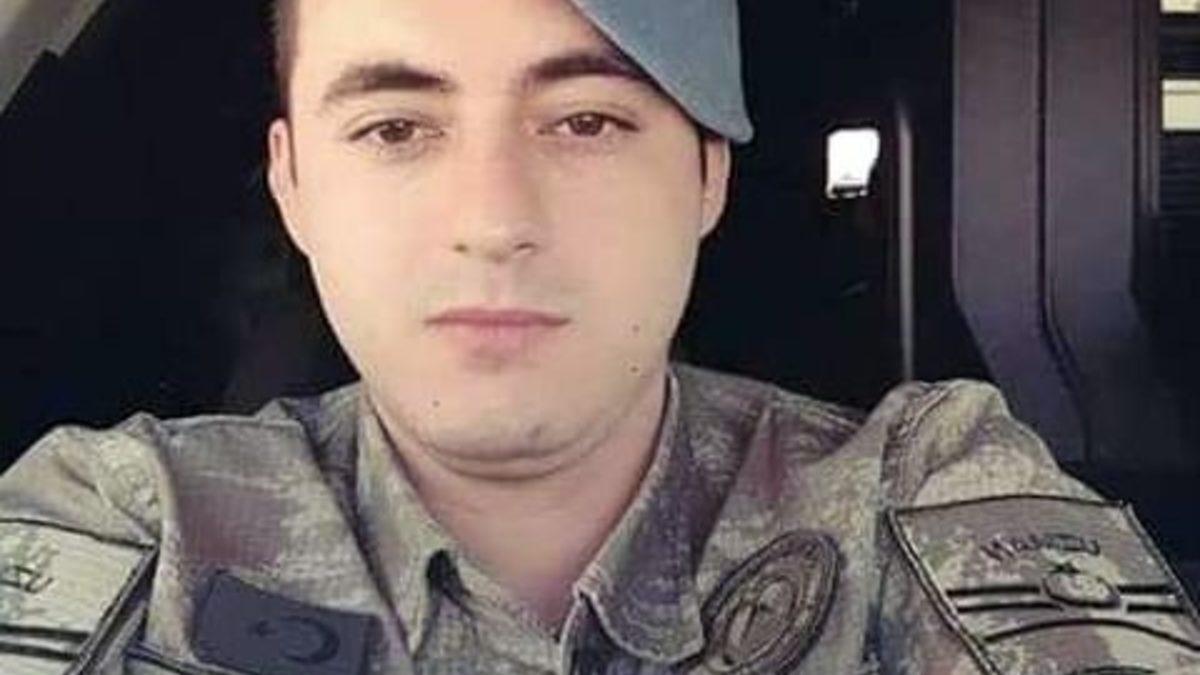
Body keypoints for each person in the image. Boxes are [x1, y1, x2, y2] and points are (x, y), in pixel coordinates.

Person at [1, 0, 1198, 672]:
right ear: (293, 185)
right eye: (395, 129)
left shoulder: (913, 491)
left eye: (585, 121)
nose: (493, 221)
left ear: (707, 177)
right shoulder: (131, 521)